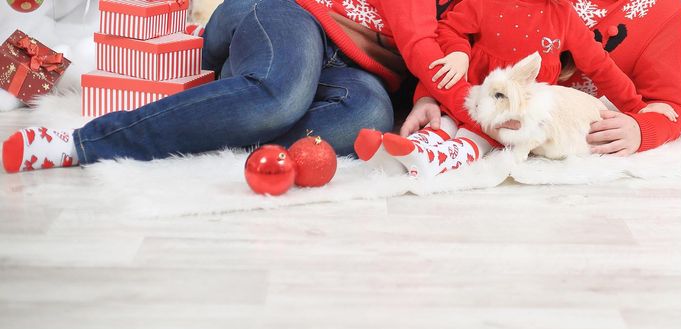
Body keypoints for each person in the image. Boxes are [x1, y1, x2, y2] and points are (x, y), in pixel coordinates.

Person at [1, 0, 457, 173]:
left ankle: (211, 113)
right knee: (280, 95)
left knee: (365, 118)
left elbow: (458, 60)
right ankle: (84, 142)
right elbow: (419, 40)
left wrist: (428, 96)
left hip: (354, 69)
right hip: (291, 14)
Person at [355, 0, 681, 177]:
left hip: (515, 109)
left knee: (477, 141)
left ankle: (431, 160)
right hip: (474, 93)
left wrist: (638, 113)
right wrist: (457, 54)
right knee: (445, 122)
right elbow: (449, 30)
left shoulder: (562, 15)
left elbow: (600, 66)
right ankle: (408, 149)